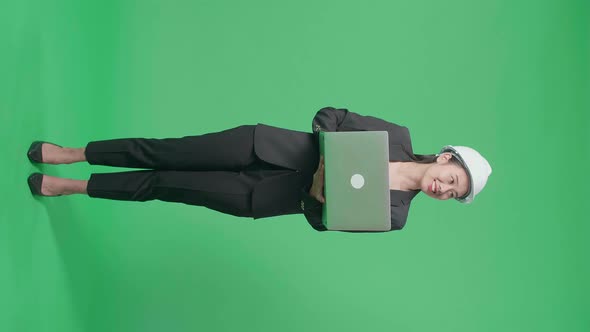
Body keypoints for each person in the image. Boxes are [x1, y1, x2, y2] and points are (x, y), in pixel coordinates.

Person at [27, 106, 492, 232]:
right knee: (163, 151)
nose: (444, 189)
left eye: (453, 194)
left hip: (261, 198)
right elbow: (329, 116)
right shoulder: (398, 137)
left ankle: (74, 187)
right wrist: (330, 158)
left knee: (163, 186)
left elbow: (320, 220)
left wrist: (318, 192)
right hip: (261, 143)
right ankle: (74, 152)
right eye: (452, 179)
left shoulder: (396, 215)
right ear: (446, 158)